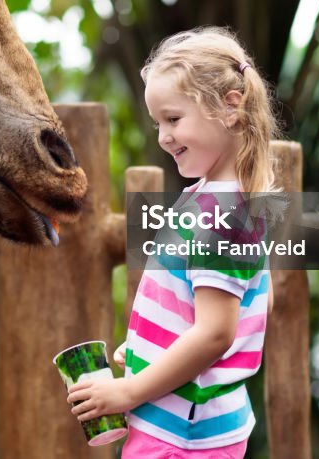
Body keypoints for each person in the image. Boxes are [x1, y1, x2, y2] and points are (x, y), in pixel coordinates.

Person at [67, 27, 280, 457]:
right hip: (186, 425)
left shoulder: (220, 216)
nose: (163, 136)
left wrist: (130, 391)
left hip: (182, 436)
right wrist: (152, 350)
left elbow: (214, 334)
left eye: (174, 119)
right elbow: (257, 301)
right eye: (158, 122)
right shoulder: (219, 201)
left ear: (230, 106)